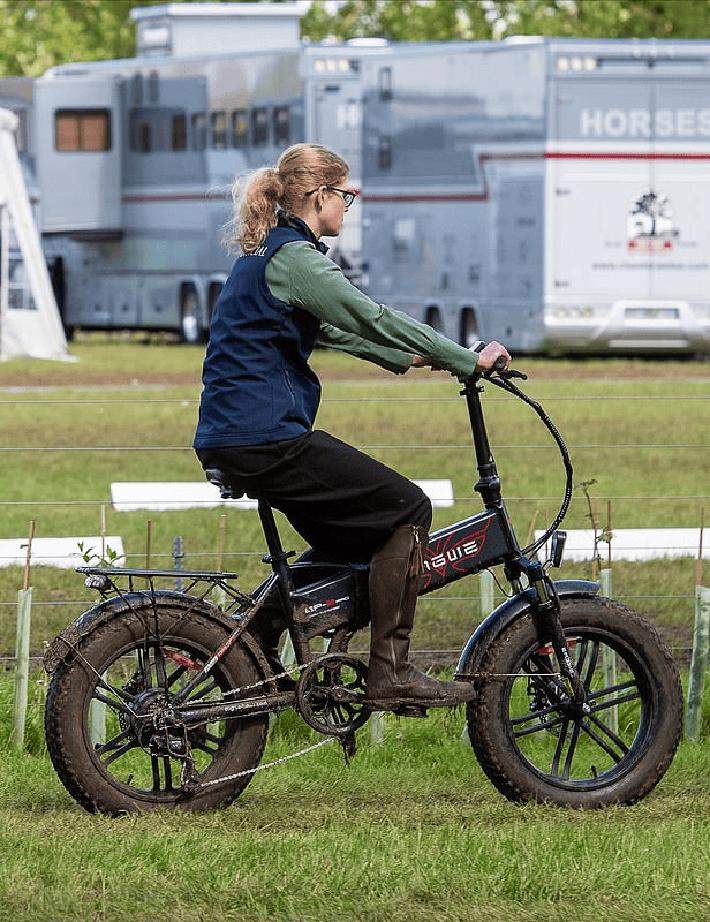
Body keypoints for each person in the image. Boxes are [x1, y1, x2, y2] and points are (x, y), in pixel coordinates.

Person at [194, 143, 511, 711]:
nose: (350, 205)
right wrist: (466, 359)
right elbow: (370, 315)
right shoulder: (297, 258)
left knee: (351, 540)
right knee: (407, 508)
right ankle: (391, 672)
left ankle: (258, 640)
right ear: (319, 195)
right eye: (347, 195)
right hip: (266, 437)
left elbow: (334, 333)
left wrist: (411, 357)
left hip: (238, 436)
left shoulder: (267, 254)